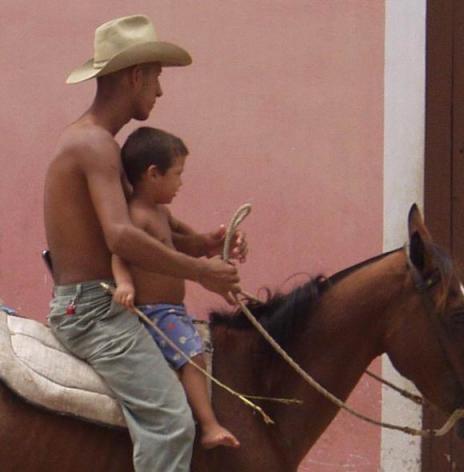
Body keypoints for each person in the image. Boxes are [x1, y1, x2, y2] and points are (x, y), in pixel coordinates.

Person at [44, 15, 246, 471]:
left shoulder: (102, 145)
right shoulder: (94, 145)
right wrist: (200, 273)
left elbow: (150, 229)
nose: (160, 91)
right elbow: (120, 236)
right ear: (136, 77)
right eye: (155, 78)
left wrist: (205, 245)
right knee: (173, 423)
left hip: (100, 304)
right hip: (93, 311)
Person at [111, 126, 240, 449]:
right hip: (156, 312)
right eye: (178, 174)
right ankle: (209, 426)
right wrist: (125, 283)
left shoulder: (161, 213)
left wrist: (214, 243)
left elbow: (190, 244)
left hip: (173, 311)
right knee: (193, 358)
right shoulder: (135, 217)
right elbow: (120, 253)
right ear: (153, 174)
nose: (181, 183)